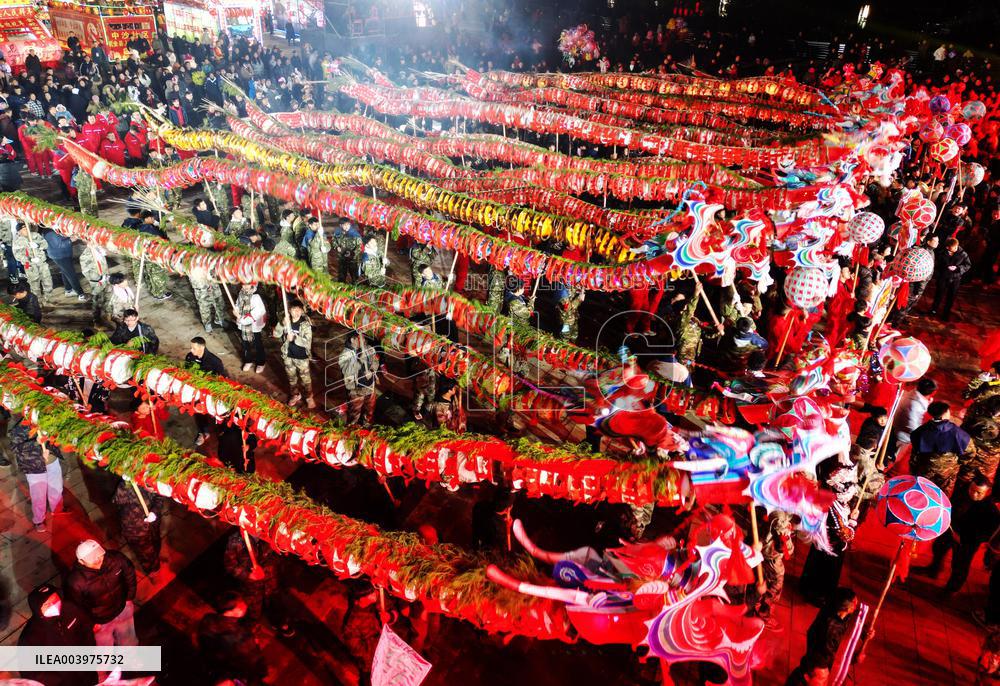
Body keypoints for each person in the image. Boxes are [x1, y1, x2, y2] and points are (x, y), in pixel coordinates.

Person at [920, 476, 999, 594]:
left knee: (959, 566)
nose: (974, 494)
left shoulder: (991, 511)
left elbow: (987, 534)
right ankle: (933, 569)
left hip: (967, 542)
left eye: (979, 492)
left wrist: (965, 538)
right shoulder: (962, 494)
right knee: (938, 548)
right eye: (972, 490)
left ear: (987, 492)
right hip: (951, 530)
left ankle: (951, 589)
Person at [18, 584, 96, 686]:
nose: (54, 605)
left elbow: (86, 630)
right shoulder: (30, 638)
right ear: (38, 609)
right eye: (47, 604)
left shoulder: (71, 609)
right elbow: (30, 671)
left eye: (54, 599)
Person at [65, 540, 138, 647]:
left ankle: (131, 659)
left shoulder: (116, 559)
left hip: (123, 608)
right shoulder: (75, 582)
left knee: (129, 641)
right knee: (104, 649)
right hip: (100, 621)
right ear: (81, 561)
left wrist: (129, 598)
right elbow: (76, 607)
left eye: (99, 554)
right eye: (92, 558)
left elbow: (129, 574)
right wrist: (91, 623)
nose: (98, 559)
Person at [196, 591, 266, 684]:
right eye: (241, 605)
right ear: (230, 611)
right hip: (246, 673)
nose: (245, 606)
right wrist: (254, 644)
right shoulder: (232, 635)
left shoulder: (215, 622)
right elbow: (248, 657)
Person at [910, 400, 974, 496]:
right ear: (944, 414)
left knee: (922, 492)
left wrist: (914, 469)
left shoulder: (921, 431)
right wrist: (959, 463)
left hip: (926, 468)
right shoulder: (957, 433)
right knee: (943, 494)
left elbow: (915, 452)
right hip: (948, 471)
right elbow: (970, 453)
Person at [791, 588, 860, 675]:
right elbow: (833, 654)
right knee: (809, 674)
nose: (856, 604)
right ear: (847, 608)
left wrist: (864, 632)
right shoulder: (831, 629)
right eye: (854, 603)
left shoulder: (835, 608)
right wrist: (853, 658)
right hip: (819, 659)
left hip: (818, 651)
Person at [11, 420, 63, 532]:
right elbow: (16, 448)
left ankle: (57, 510)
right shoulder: (20, 427)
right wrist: (36, 443)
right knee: (38, 495)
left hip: (52, 461)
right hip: (34, 466)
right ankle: (39, 520)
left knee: (56, 489)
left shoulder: (49, 420)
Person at [112, 478, 164, 575]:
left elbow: (159, 497)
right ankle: (153, 571)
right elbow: (117, 500)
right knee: (145, 554)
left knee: (156, 542)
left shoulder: (152, 480)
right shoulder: (127, 487)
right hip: (135, 529)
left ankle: (156, 558)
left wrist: (155, 511)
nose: (153, 489)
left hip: (152, 524)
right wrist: (125, 483)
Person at [273, 300, 314, 407]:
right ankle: (295, 394)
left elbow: (307, 342)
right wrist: (281, 324)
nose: (296, 312)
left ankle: (309, 397)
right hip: (288, 356)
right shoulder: (285, 322)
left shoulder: (305, 324)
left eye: (299, 310)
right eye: (294, 309)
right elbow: (276, 335)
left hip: (302, 357)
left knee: (305, 379)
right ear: (289, 310)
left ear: (302, 311)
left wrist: (295, 337)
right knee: (291, 378)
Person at [889, 377, 937, 464]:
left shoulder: (913, 395)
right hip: (901, 437)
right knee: (892, 459)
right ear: (933, 392)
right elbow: (912, 426)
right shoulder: (915, 405)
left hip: (899, 432)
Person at [338, 331, 378, 425]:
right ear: (353, 340)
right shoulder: (345, 355)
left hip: (370, 387)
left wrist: (372, 371)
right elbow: (347, 372)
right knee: (354, 413)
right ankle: (352, 428)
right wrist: (359, 361)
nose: (364, 340)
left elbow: (375, 362)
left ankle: (367, 424)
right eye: (361, 338)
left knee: (370, 410)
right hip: (356, 390)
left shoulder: (369, 349)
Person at [930, 237, 972, 321]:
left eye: (957, 247)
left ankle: (946, 314)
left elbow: (967, 265)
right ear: (947, 247)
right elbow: (936, 264)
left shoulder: (962, 254)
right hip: (943, 277)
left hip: (955, 278)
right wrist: (939, 273)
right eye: (954, 248)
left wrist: (958, 268)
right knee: (939, 294)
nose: (956, 249)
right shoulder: (941, 253)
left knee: (951, 297)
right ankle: (933, 310)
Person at [12, 222, 53, 304]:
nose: (26, 230)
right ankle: (38, 302)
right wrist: (29, 260)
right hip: (30, 266)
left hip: (41, 262)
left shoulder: (35, 235)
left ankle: (48, 299)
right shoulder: (17, 241)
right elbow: (17, 256)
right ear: (19, 232)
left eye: (26, 228)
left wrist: (37, 245)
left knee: (48, 282)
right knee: (34, 285)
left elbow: (45, 245)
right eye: (23, 229)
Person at [42, 228, 86, 300]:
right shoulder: (49, 232)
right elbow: (58, 245)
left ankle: (68, 290)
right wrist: (70, 240)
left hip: (64, 253)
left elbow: (61, 238)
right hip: (60, 256)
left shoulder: (55, 228)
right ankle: (81, 294)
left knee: (65, 272)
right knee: (71, 274)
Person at [234, 283, 267, 373]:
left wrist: (243, 320)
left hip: (254, 325)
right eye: (244, 285)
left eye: (248, 285)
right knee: (245, 344)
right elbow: (237, 304)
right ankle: (248, 360)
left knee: (257, 344)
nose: (245, 287)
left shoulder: (256, 297)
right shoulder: (240, 295)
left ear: (252, 285)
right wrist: (236, 310)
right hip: (243, 325)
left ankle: (261, 362)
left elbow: (258, 312)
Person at [188, 267, 227, 333]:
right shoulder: (192, 263)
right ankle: (207, 324)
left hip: (214, 285)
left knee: (220, 303)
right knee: (204, 308)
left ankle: (219, 319)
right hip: (202, 289)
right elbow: (193, 279)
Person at [80, 243, 108, 321]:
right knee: (97, 299)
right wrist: (99, 278)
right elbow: (86, 272)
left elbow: (103, 264)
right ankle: (96, 319)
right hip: (97, 282)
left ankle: (104, 313)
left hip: (104, 279)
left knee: (104, 297)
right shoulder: (85, 256)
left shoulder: (98, 250)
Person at [332, 217, 362, 282]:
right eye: (344, 225)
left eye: (348, 224)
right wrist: (336, 247)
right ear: (340, 225)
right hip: (341, 258)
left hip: (352, 259)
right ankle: (342, 287)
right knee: (342, 276)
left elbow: (359, 246)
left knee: (354, 276)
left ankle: (355, 288)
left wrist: (353, 253)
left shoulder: (355, 234)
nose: (347, 226)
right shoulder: (337, 232)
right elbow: (334, 240)